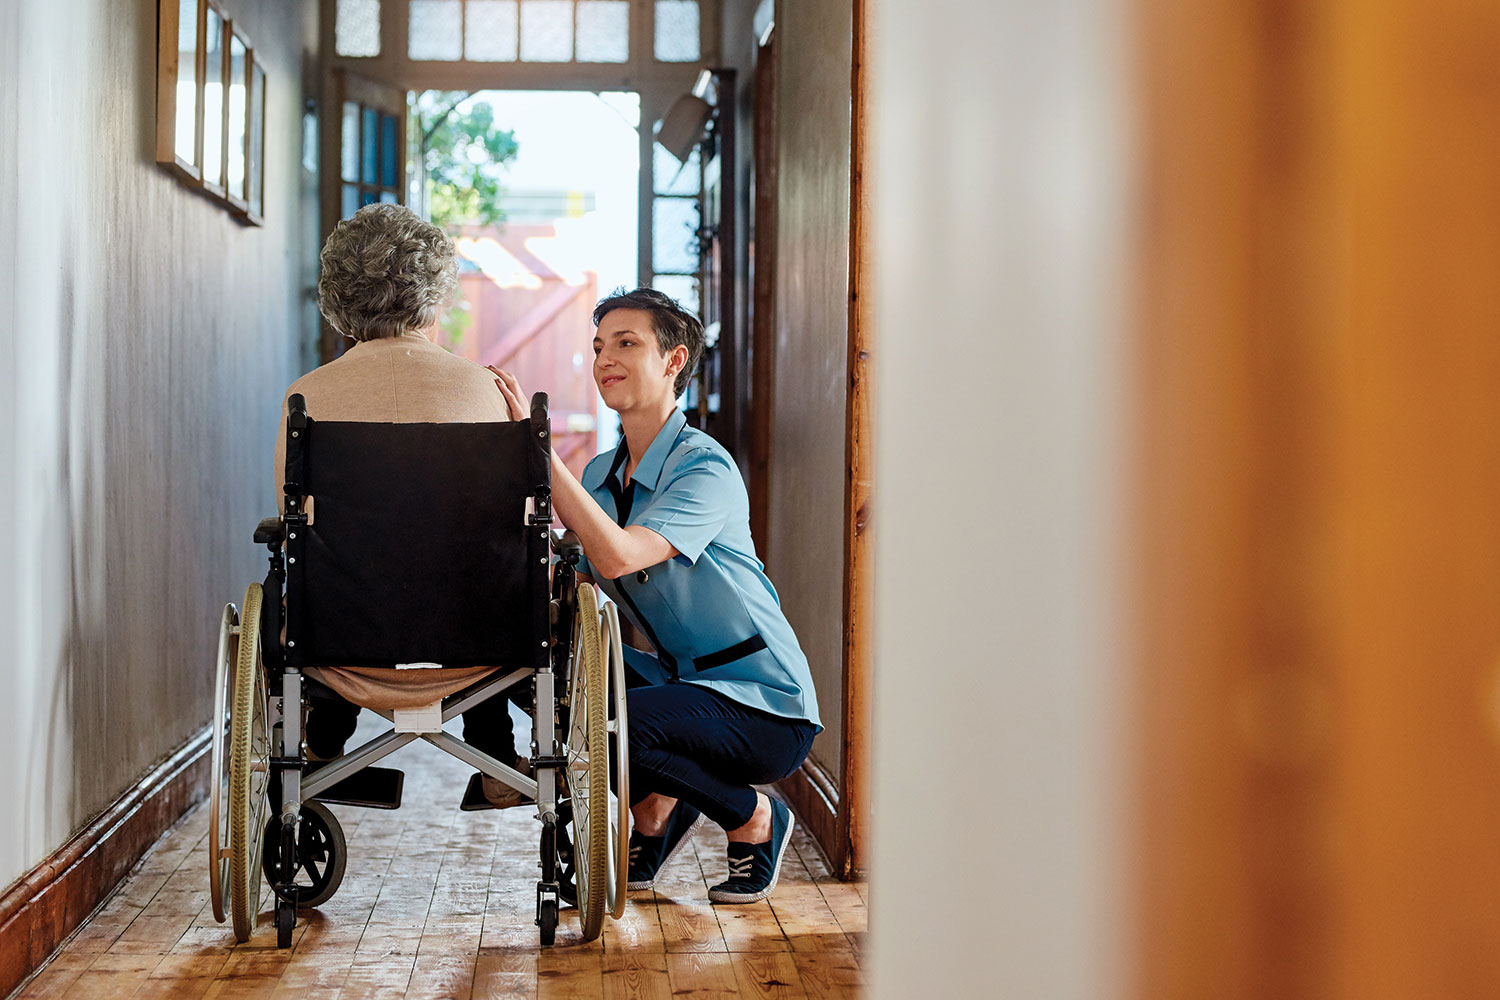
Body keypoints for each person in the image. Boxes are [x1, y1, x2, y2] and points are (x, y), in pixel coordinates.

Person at [491, 287, 821, 903]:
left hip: (765, 705)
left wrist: (536, 451)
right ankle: (655, 812)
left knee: (614, 725)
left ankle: (753, 817)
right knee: (558, 682)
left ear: (673, 362)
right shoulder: (599, 477)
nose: (604, 359)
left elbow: (618, 553)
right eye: (597, 347)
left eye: (626, 343)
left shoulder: (706, 469)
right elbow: (584, 581)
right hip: (686, 687)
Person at [274, 203, 527, 808]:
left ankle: (323, 747)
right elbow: (509, 525)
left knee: (326, 562)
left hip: (340, 641)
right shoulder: (486, 391)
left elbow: (295, 520)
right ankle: (496, 761)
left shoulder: (306, 398)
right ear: (435, 295)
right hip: (477, 643)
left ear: (340, 296)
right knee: (484, 567)